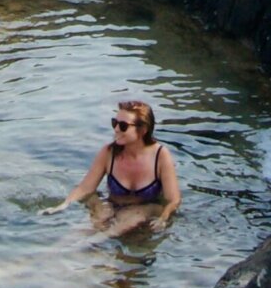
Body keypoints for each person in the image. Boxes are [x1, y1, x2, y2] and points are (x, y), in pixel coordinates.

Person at [53, 99, 181, 233]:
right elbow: (85, 188)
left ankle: (89, 244)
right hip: (111, 206)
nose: (116, 129)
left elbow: (173, 200)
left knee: (130, 218)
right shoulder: (108, 152)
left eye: (123, 126)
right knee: (91, 224)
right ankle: (54, 250)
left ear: (142, 130)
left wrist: (163, 219)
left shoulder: (160, 155)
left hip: (144, 211)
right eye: (114, 123)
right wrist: (63, 205)